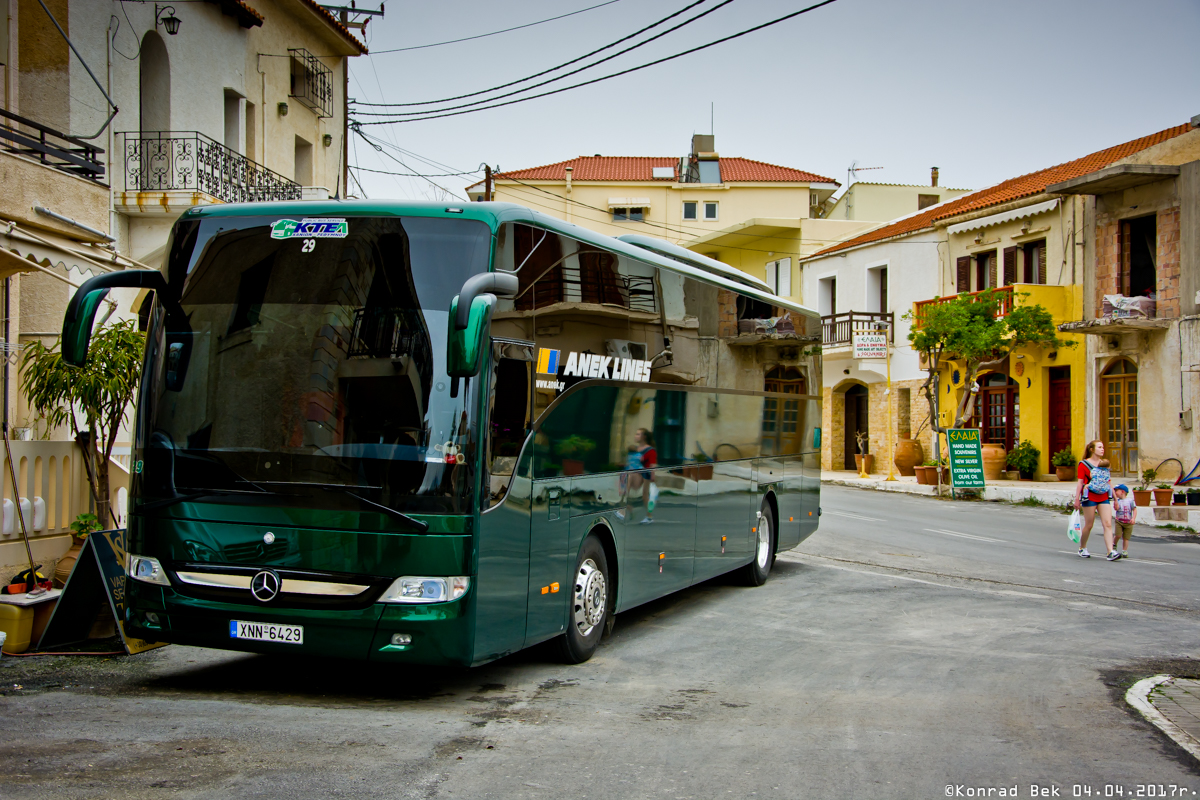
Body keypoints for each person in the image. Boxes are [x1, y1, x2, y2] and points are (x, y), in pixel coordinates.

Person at [1074, 440, 1119, 561]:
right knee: (1089, 524)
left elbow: (1109, 482)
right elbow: (1080, 483)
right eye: (1099, 447)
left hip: (1103, 496)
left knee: (1108, 524)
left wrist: (1115, 499)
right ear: (1092, 449)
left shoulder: (1104, 464)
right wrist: (1076, 499)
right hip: (1089, 497)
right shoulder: (1083, 464)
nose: (1102, 449)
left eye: (1103, 447)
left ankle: (1110, 551)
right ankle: (1082, 547)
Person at [617, 427, 658, 524]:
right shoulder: (635, 449)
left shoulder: (650, 450)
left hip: (645, 474)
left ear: (644, 437)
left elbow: (652, 464)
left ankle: (649, 516)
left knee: (644, 496)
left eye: (638, 434)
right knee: (624, 490)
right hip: (634, 473)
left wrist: (653, 475)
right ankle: (626, 509)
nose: (635, 436)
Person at [1112, 484, 1137, 558]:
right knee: (1118, 535)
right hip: (1119, 521)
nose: (1115, 493)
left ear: (1122, 491)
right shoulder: (1118, 501)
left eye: (1116, 491)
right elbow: (1116, 509)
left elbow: (1134, 509)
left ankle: (1124, 550)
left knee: (1126, 538)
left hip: (1128, 522)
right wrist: (1115, 502)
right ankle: (1114, 545)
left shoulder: (1130, 501)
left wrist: (1133, 518)